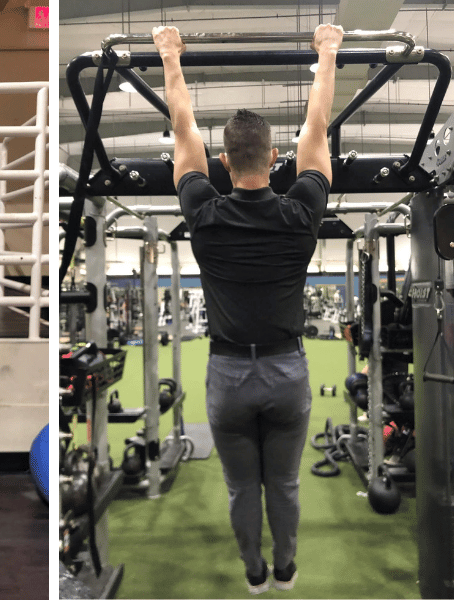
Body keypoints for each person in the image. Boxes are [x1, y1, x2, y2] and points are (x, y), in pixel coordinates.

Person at [153, 23, 343, 594]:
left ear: (221, 161)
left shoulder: (202, 214)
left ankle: (255, 574)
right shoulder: (301, 209)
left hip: (228, 374)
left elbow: (180, 123)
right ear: (275, 157)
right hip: (287, 370)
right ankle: (285, 571)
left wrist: (170, 55)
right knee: (283, 486)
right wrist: (327, 53)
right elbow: (318, 126)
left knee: (242, 490)